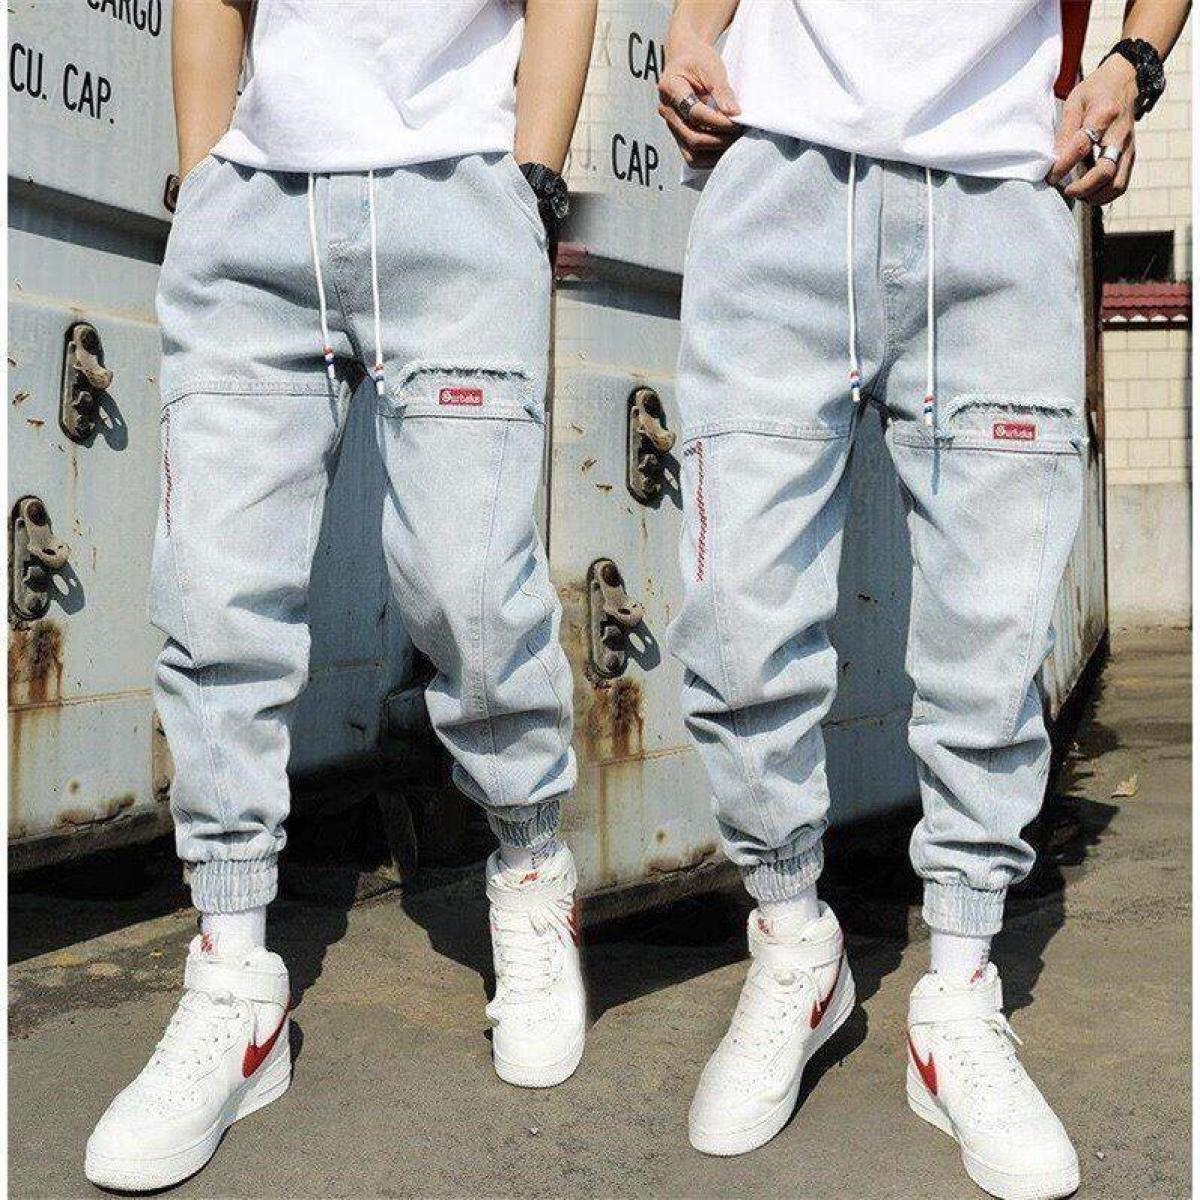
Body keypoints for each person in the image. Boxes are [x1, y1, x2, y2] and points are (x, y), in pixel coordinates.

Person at [657, 1, 1188, 1196]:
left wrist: (1132, 64)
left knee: (991, 643)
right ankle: (794, 945)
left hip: (1001, 187)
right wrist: (692, 28)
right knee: (737, 616)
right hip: (778, 175)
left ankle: (958, 993)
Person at [85, 0, 597, 1189]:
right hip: (255, 210)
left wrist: (532, 175)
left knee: (467, 585)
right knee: (213, 597)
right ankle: (234, 979)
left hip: (458, 197)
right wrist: (204, 181)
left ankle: (530, 868)